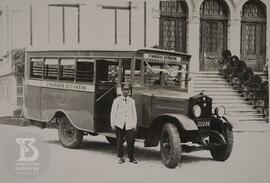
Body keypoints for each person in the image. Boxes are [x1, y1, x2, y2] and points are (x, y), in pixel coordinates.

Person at [110, 82, 138, 164]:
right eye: (125, 89)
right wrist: (113, 123)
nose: (126, 91)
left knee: (131, 141)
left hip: (129, 124)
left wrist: (134, 125)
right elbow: (113, 112)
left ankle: (131, 157)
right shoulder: (117, 100)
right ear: (121, 90)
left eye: (128, 90)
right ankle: (120, 157)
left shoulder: (132, 101)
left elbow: (134, 113)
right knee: (119, 141)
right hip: (119, 124)